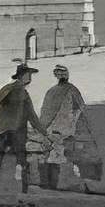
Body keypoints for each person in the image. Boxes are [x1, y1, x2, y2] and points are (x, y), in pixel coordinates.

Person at [0, 63, 49, 207]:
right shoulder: (9, 89)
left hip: (14, 133)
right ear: (21, 76)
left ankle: (21, 197)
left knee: (19, 164)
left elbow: (32, 117)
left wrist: (45, 134)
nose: (30, 77)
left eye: (30, 74)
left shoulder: (24, 94)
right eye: (28, 74)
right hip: (2, 132)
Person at [39, 64, 95, 192]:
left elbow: (44, 112)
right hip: (65, 130)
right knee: (61, 157)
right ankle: (55, 184)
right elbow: (81, 108)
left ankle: (51, 184)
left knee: (53, 157)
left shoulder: (52, 91)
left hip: (55, 130)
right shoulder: (70, 90)